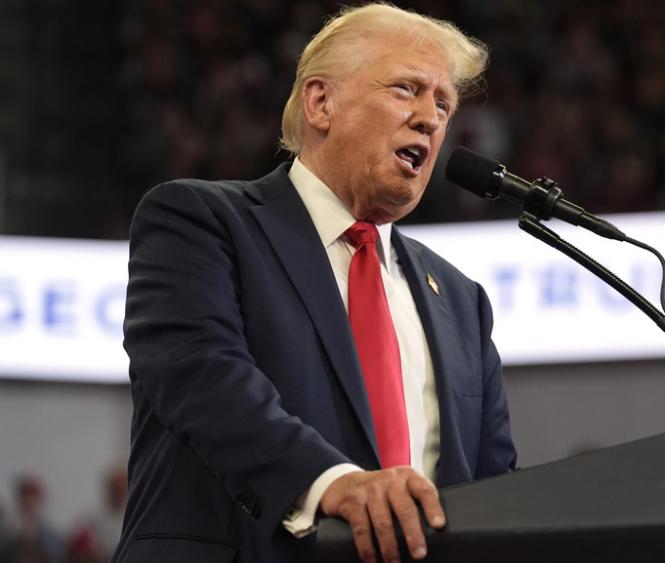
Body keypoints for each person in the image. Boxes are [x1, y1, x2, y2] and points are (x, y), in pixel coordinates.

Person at [112, 4, 517, 563]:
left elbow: (496, 486)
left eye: (443, 103)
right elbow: (202, 376)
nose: (431, 117)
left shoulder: (462, 300)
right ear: (321, 102)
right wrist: (332, 482)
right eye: (407, 89)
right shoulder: (200, 221)